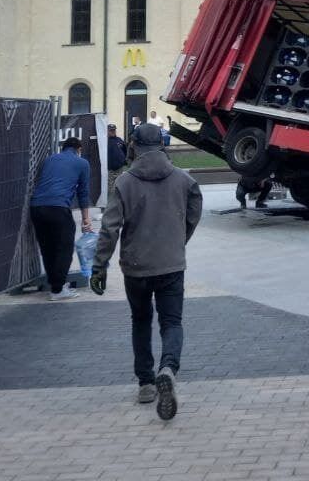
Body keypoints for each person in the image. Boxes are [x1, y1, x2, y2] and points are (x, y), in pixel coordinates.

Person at [90, 122, 202, 421]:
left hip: (136, 267)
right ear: (162, 145)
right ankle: (168, 367)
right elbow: (193, 215)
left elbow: (110, 228)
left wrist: (99, 267)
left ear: (134, 146)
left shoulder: (125, 182)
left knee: (140, 321)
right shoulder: (183, 180)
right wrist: (179, 242)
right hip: (171, 263)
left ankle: (146, 383)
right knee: (172, 322)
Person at [29, 136, 92, 302]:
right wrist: (86, 218)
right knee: (64, 248)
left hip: (36, 207)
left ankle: (54, 286)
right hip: (58, 207)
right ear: (79, 149)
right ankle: (58, 290)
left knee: (47, 248)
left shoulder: (49, 160)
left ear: (63, 148)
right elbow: (83, 193)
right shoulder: (82, 163)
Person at [105, 123, 128, 195]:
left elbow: (125, 150)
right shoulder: (104, 141)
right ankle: (111, 203)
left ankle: (119, 202)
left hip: (120, 168)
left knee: (120, 186)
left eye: (114, 130)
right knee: (111, 187)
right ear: (107, 131)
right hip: (110, 169)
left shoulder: (119, 140)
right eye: (111, 130)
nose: (113, 132)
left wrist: (123, 161)